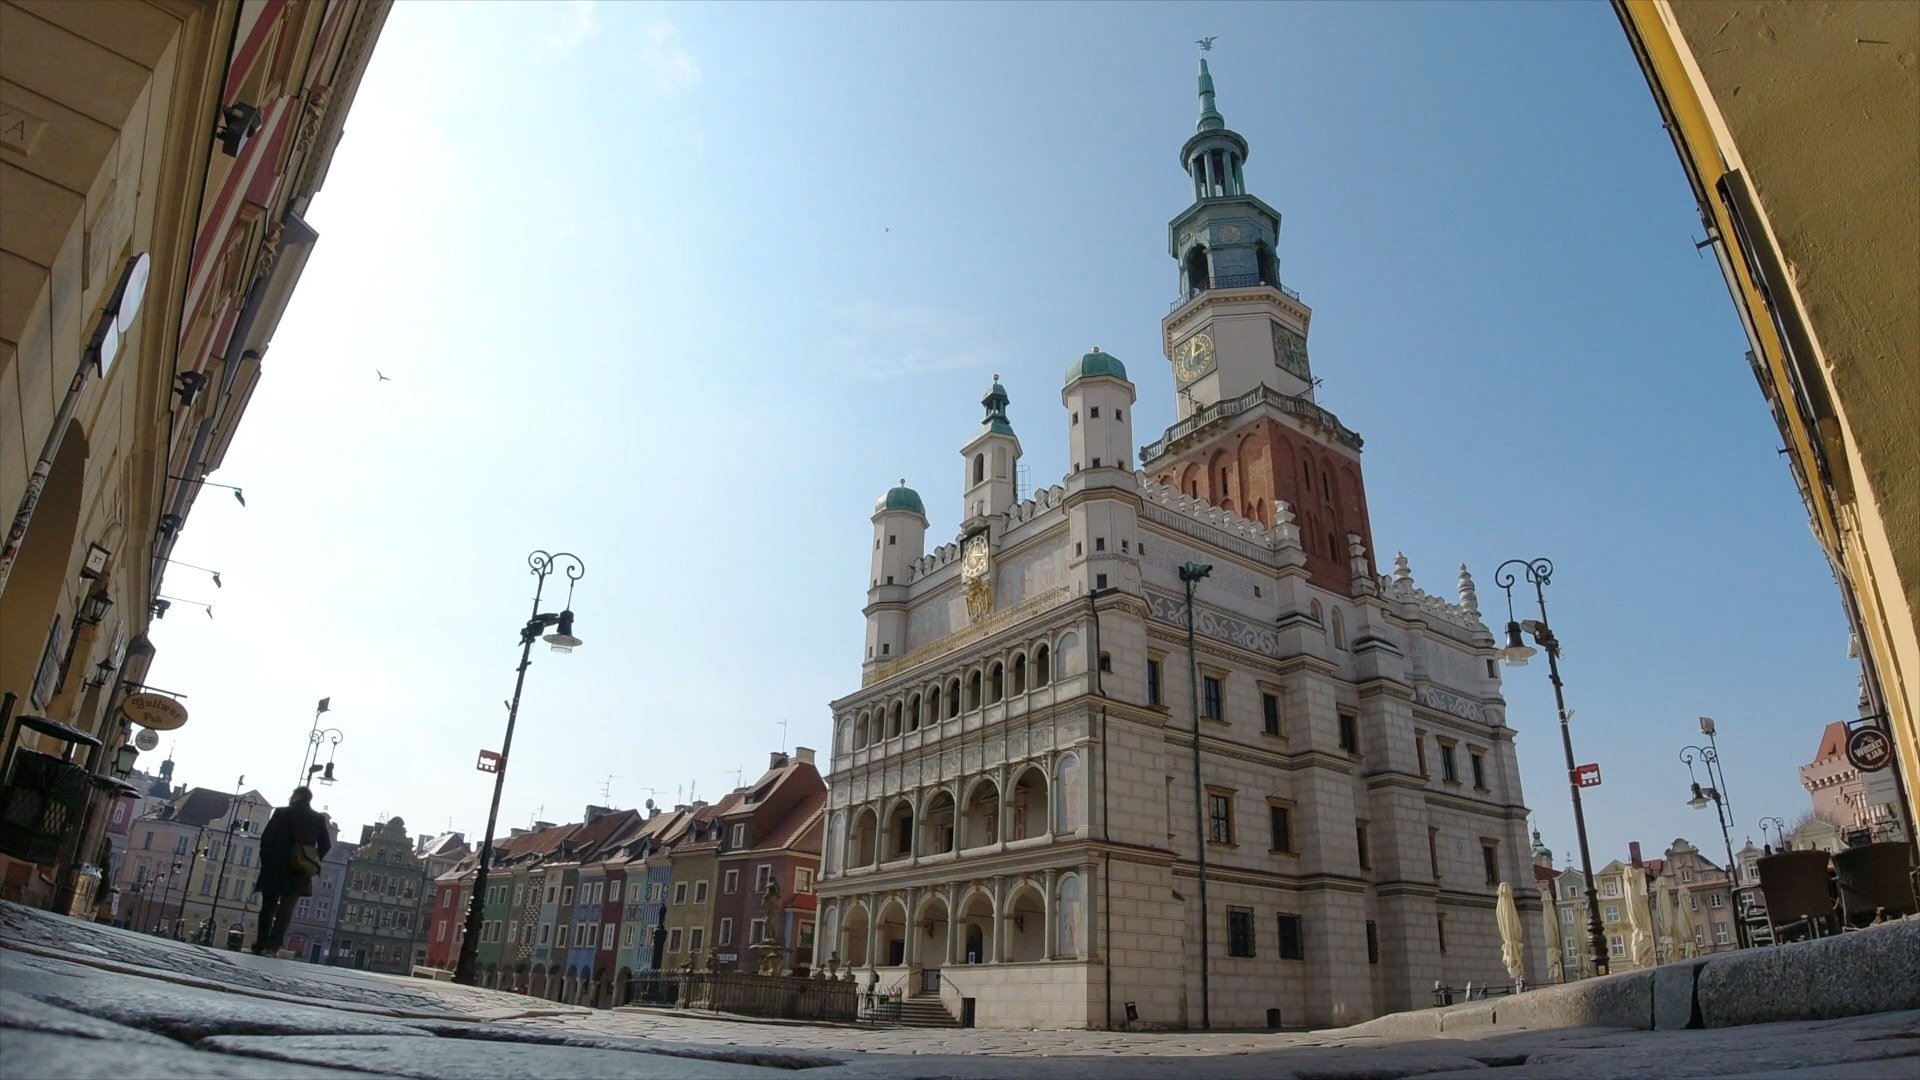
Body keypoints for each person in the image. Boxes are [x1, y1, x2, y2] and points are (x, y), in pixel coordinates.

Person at [250, 786, 332, 956]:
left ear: (297, 796)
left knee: (268, 907)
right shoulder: (317, 818)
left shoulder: (281, 813)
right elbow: (326, 845)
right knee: (286, 909)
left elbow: (266, 839)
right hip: (299, 868)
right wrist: (312, 860)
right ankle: (273, 946)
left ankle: (260, 944)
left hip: (275, 866)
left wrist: (267, 860)